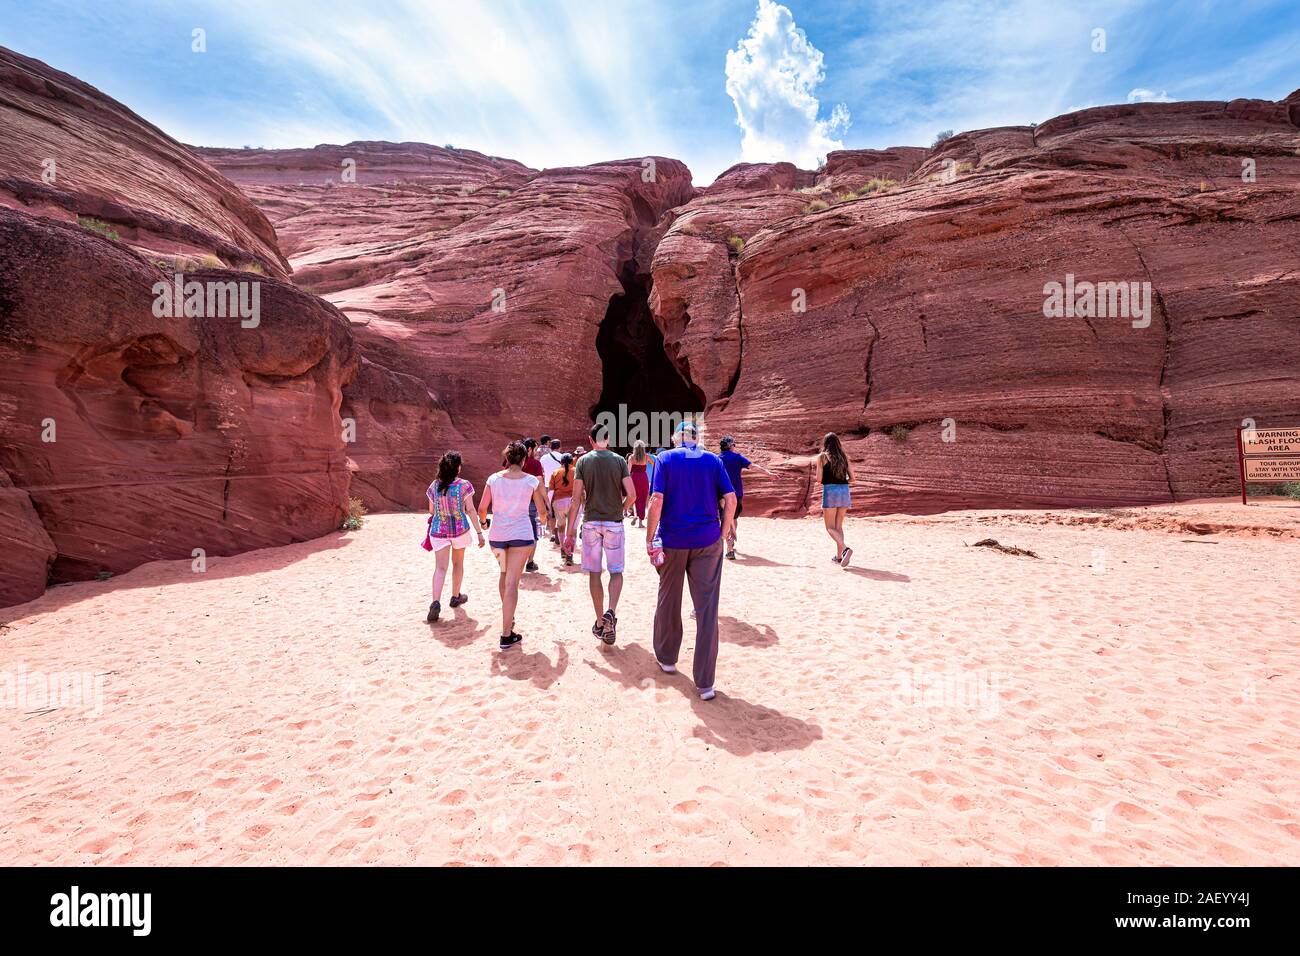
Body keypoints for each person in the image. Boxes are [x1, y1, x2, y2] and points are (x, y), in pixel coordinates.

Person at [645, 421, 736, 700]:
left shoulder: (665, 458)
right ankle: (705, 683)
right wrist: (721, 534)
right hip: (707, 541)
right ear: (698, 439)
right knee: (707, 610)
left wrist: (650, 538)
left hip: (673, 541)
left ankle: (668, 658)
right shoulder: (712, 460)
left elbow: (657, 500)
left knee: (669, 599)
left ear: (676, 439)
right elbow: (730, 500)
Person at [565, 423, 635, 644]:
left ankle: (599, 621)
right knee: (616, 571)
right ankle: (611, 611)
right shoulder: (620, 461)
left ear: (590, 439)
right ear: (608, 438)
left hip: (591, 523)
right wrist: (622, 509)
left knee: (595, 573)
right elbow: (632, 495)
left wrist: (569, 533)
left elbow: (576, 500)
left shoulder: (583, 461)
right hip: (614, 523)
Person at [479, 441, 551, 650]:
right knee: (512, 582)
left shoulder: (493, 479)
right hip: (521, 535)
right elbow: (542, 511)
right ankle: (506, 633)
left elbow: (483, 508)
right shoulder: (530, 481)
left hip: (498, 535)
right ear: (524, 459)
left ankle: (508, 619)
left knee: (504, 576)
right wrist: (545, 522)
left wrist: (484, 524)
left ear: (508, 458)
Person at [424, 451, 485, 622]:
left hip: (439, 530)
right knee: (457, 563)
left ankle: (435, 602)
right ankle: (455, 596)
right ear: (458, 467)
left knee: (440, 568)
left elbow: (431, 510)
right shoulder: (464, 485)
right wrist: (479, 533)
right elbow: (471, 509)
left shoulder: (434, 485)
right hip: (459, 531)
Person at [717, 436, 771, 559]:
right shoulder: (737, 458)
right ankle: (730, 546)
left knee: (726, 519)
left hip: (722, 495)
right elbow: (754, 467)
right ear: (731, 446)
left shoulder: (717, 459)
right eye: (734, 445)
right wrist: (768, 474)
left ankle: (729, 545)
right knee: (733, 519)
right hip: (736, 494)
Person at [818, 432, 853, 568]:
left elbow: (819, 479)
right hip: (844, 491)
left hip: (831, 491)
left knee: (829, 528)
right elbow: (853, 478)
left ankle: (845, 549)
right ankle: (839, 557)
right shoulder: (845, 457)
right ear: (838, 443)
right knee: (838, 527)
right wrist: (841, 481)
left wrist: (831, 480)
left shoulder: (822, 457)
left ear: (825, 444)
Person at [549, 453, 577, 564]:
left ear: (561, 462)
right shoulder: (576, 471)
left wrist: (549, 506)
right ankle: (570, 554)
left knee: (561, 526)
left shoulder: (555, 472)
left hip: (558, 502)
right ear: (571, 461)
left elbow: (551, 491)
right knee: (573, 529)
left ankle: (562, 549)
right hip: (573, 503)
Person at [626, 440, 656, 528]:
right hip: (643, 478)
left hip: (634, 478)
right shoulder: (646, 456)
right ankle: (640, 522)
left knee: (634, 498)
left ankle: (635, 514)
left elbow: (628, 471)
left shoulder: (631, 457)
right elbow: (654, 465)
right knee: (642, 500)